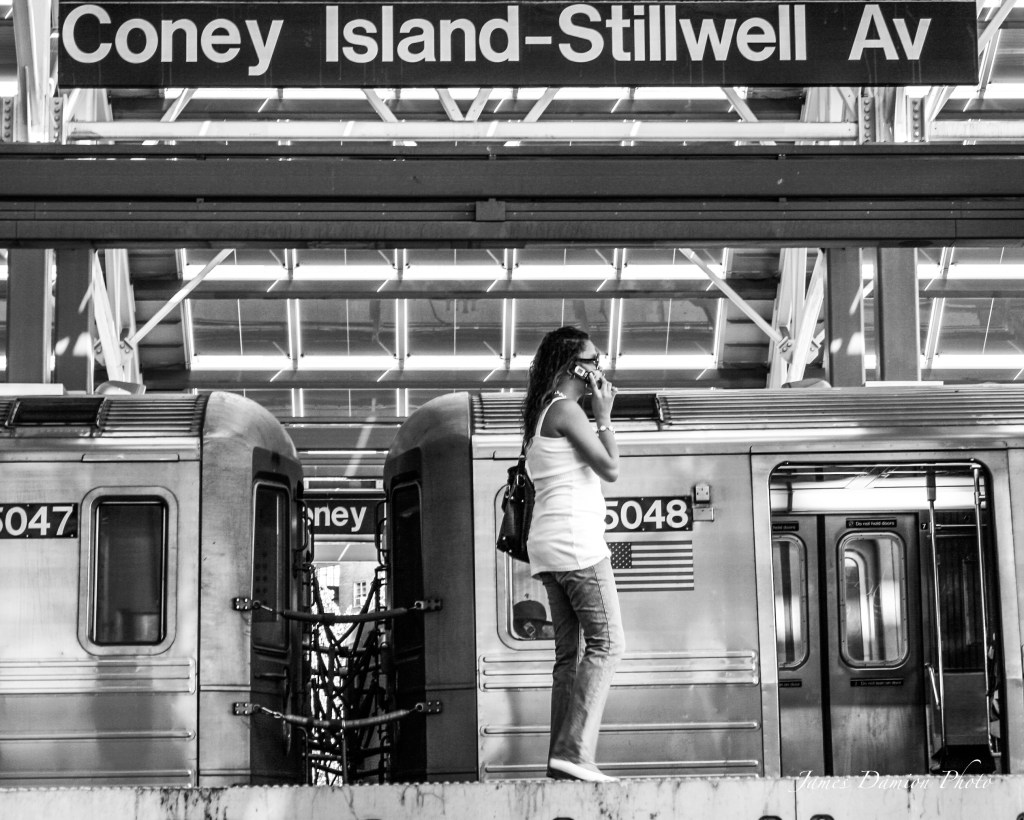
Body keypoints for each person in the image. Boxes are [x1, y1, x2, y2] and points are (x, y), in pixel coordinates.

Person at [522, 325, 625, 783]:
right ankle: (575, 750)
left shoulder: (541, 413)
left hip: (548, 547)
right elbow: (611, 468)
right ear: (573, 366)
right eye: (593, 360)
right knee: (609, 644)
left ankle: (560, 761)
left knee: (570, 657)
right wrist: (604, 417)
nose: (600, 367)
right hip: (577, 543)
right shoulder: (566, 409)